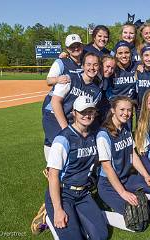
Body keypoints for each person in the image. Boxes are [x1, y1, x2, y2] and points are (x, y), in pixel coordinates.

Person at [45, 95, 108, 240]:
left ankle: (75, 218)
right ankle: (49, 216)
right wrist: (58, 209)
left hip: (83, 194)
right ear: (74, 113)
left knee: (101, 236)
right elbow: (53, 175)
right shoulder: (63, 139)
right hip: (63, 193)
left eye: (90, 111)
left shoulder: (95, 135)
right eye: (82, 112)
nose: (87, 115)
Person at [96, 96, 150, 221]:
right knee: (136, 218)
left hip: (127, 178)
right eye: (122, 109)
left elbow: (133, 154)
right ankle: (104, 213)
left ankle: (139, 199)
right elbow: (107, 168)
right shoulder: (103, 135)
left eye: (129, 110)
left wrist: (146, 175)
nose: (126, 113)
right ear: (113, 110)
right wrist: (123, 193)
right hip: (109, 184)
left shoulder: (126, 128)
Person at [42, 52, 102, 161]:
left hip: (72, 121)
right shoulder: (69, 79)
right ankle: (51, 172)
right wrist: (66, 129)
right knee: (58, 148)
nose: (92, 68)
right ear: (83, 66)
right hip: (54, 117)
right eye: (88, 64)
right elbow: (55, 102)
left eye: (95, 65)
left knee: (72, 152)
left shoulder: (96, 90)